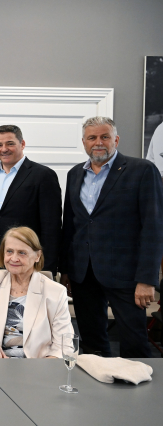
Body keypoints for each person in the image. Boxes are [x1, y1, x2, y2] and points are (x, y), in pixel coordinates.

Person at [61, 116, 163, 358]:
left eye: (104, 137)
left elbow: (154, 227)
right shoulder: (75, 174)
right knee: (92, 343)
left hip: (127, 276)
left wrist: (147, 280)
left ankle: (139, 383)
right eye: (92, 137)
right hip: (83, 273)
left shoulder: (142, 170)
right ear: (84, 142)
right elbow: (71, 226)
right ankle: (97, 381)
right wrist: (65, 271)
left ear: (115, 140)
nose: (98, 142)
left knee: (135, 344)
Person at [0, 227, 73, 358]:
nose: (14, 258)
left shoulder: (56, 292)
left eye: (22, 253)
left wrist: (39, 369)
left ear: (37, 256)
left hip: (37, 365)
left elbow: (63, 346)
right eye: (9, 251)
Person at [0, 125, 62, 273]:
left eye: (10, 144)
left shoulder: (43, 175)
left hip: (28, 262)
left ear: (22, 144)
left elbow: (51, 228)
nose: (4, 149)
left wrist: (47, 269)